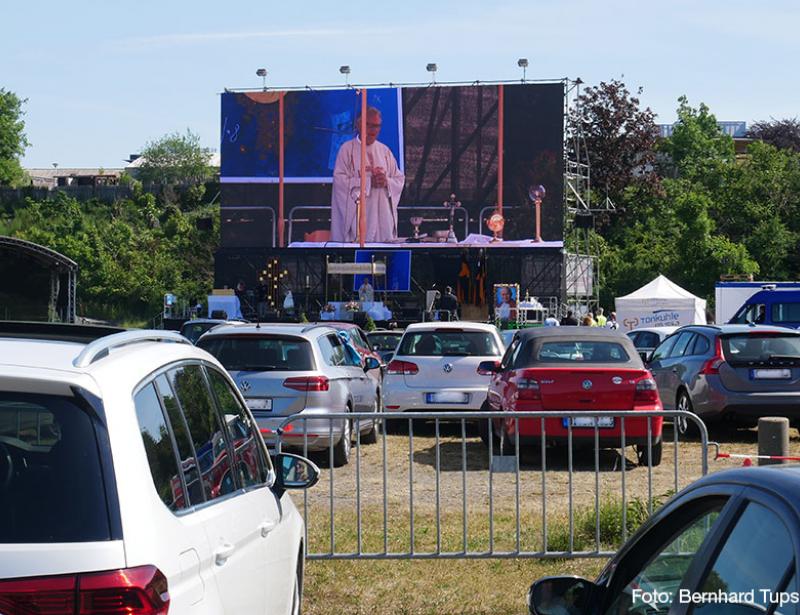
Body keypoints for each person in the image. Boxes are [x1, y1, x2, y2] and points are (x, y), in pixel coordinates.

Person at [330, 107, 405, 243]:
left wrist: (386, 182)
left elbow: (399, 179)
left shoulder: (384, 151)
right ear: (359, 125)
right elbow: (340, 182)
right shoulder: (347, 150)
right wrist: (369, 183)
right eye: (368, 125)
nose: (372, 130)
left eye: (376, 126)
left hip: (383, 221)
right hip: (359, 220)